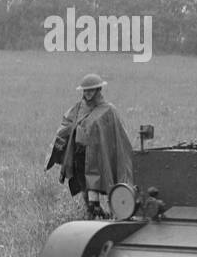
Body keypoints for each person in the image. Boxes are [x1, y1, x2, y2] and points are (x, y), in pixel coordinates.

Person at [47, 74, 135, 218]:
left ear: (98, 90)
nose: (87, 93)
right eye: (85, 91)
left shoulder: (108, 110)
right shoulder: (77, 108)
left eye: (91, 90)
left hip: (100, 157)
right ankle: (93, 212)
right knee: (85, 188)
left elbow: (116, 136)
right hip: (80, 155)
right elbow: (66, 124)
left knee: (103, 182)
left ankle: (113, 214)